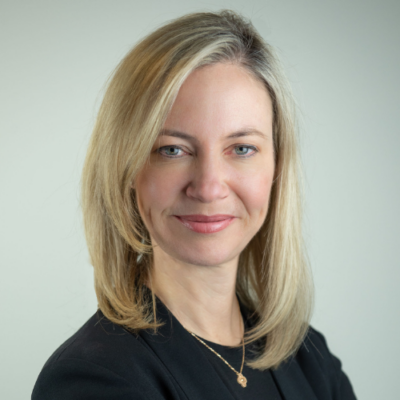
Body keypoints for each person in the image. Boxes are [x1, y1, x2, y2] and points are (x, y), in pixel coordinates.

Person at [32, 10, 357, 400]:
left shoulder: (310, 360)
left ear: (277, 168)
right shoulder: (95, 380)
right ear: (126, 170)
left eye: (241, 148)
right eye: (172, 150)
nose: (207, 187)